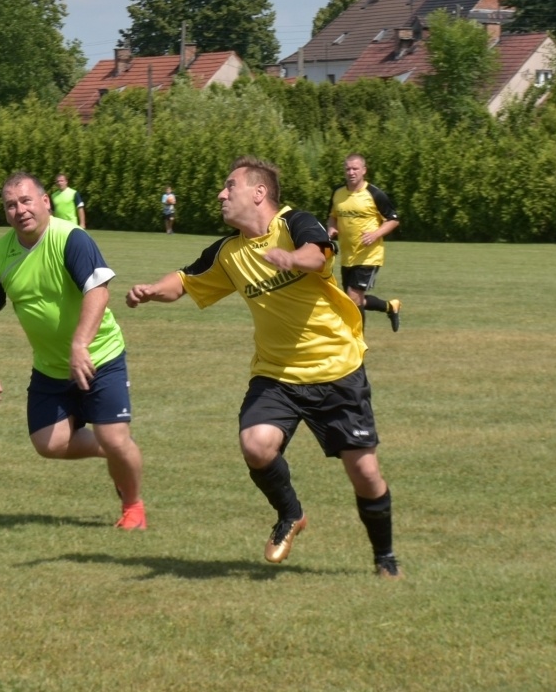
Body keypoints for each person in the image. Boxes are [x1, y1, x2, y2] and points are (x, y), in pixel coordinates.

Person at [126, 156, 401, 578]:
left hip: (336, 367)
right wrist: (151, 290)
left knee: (364, 472)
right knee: (255, 445)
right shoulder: (228, 252)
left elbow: (317, 253)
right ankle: (291, 514)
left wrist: (292, 259)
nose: (221, 194)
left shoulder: (294, 223)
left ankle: (385, 559)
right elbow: (183, 281)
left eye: (229, 186)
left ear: (258, 193)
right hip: (276, 375)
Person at [0, 173, 146, 530]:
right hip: (51, 367)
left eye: (26, 200)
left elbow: (98, 290)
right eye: (10, 205)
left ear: (45, 201)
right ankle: (112, 450)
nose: (20, 210)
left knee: (113, 436)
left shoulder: (70, 238)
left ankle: (133, 507)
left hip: (100, 357)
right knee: (47, 443)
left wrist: (80, 344)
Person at [327, 153, 402, 332]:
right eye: (348, 169)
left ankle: (357, 343)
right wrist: (331, 229)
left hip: (369, 255)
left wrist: (376, 234)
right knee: (352, 300)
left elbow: (393, 219)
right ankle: (390, 307)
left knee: (353, 298)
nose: (351, 172)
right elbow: (332, 217)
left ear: (364, 170)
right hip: (347, 255)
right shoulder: (338, 193)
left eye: (355, 169)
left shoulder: (374, 194)